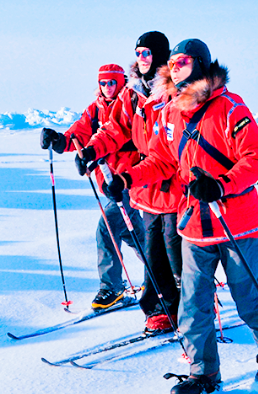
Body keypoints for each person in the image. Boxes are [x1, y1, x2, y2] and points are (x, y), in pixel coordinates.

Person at [109, 38, 258, 394]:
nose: (174, 66)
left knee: (248, 298)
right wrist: (128, 177)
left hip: (235, 222)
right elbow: (162, 162)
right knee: (192, 304)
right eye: (172, 61)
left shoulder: (230, 108)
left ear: (201, 64)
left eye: (183, 60)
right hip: (193, 223)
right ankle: (203, 372)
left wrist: (222, 185)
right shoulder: (170, 114)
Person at [76, 31, 182, 334]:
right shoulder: (133, 94)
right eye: (138, 53)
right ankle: (160, 309)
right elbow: (114, 128)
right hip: (146, 187)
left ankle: (192, 307)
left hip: (175, 187)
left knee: (174, 254)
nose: (142, 59)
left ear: (161, 55)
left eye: (147, 53)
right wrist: (91, 151)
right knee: (153, 252)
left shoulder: (174, 92)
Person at [39, 64, 145, 310]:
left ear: (121, 83)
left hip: (132, 180)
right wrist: (58, 139)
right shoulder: (95, 110)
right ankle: (170, 273)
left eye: (112, 83)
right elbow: (77, 135)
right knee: (134, 233)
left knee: (107, 228)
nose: (107, 88)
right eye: (103, 83)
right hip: (108, 184)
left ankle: (112, 289)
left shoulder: (130, 103)